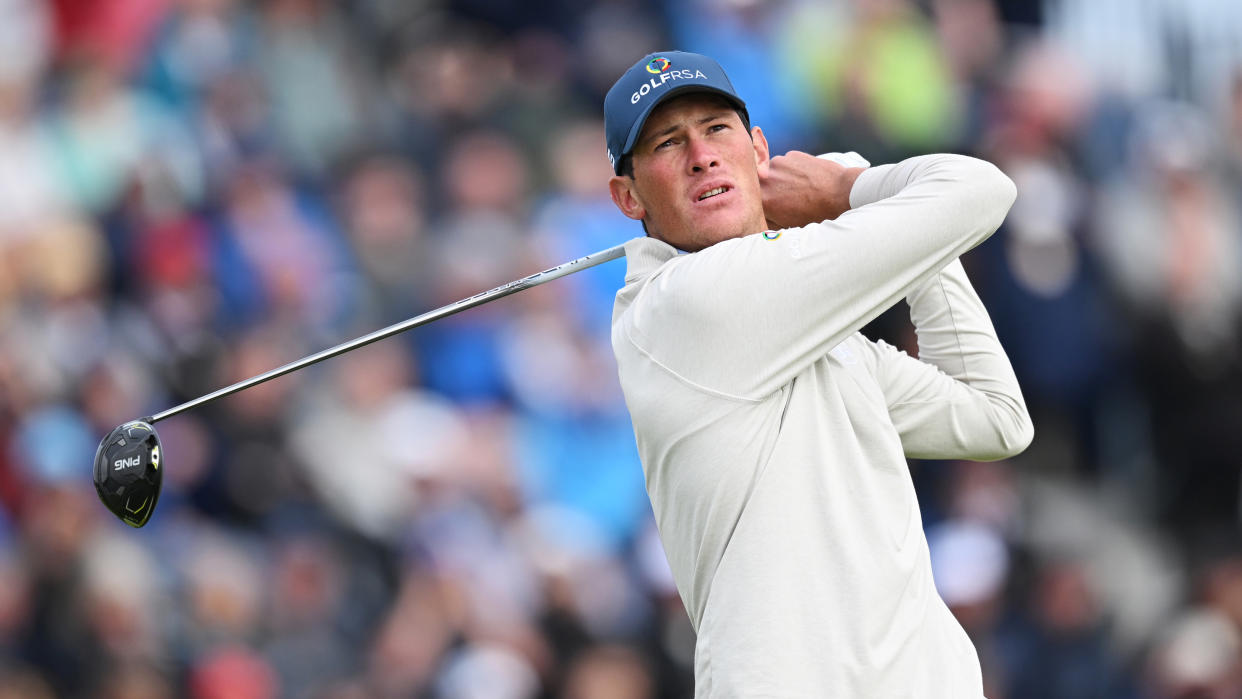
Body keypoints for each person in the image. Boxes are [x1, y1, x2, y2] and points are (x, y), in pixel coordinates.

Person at [603, 51, 1033, 697]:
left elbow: (994, 417)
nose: (701, 155)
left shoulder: (819, 333)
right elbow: (983, 190)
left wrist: (902, 235)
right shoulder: (685, 304)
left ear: (758, 150)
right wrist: (852, 187)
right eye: (668, 142)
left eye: (717, 129)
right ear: (628, 195)